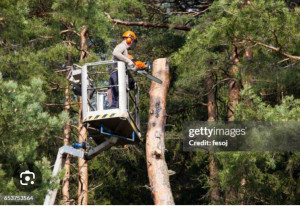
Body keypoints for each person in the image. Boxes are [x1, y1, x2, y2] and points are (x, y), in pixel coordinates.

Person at [109, 31, 137, 108]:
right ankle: (118, 110)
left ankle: (114, 111)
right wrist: (128, 61)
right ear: (129, 39)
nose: (132, 43)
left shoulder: (124, 50)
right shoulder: (122, 46)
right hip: (117, 74)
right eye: (132, 41)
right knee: (119, 95)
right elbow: (115, 53)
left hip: (114, 73)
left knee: (115, 97)